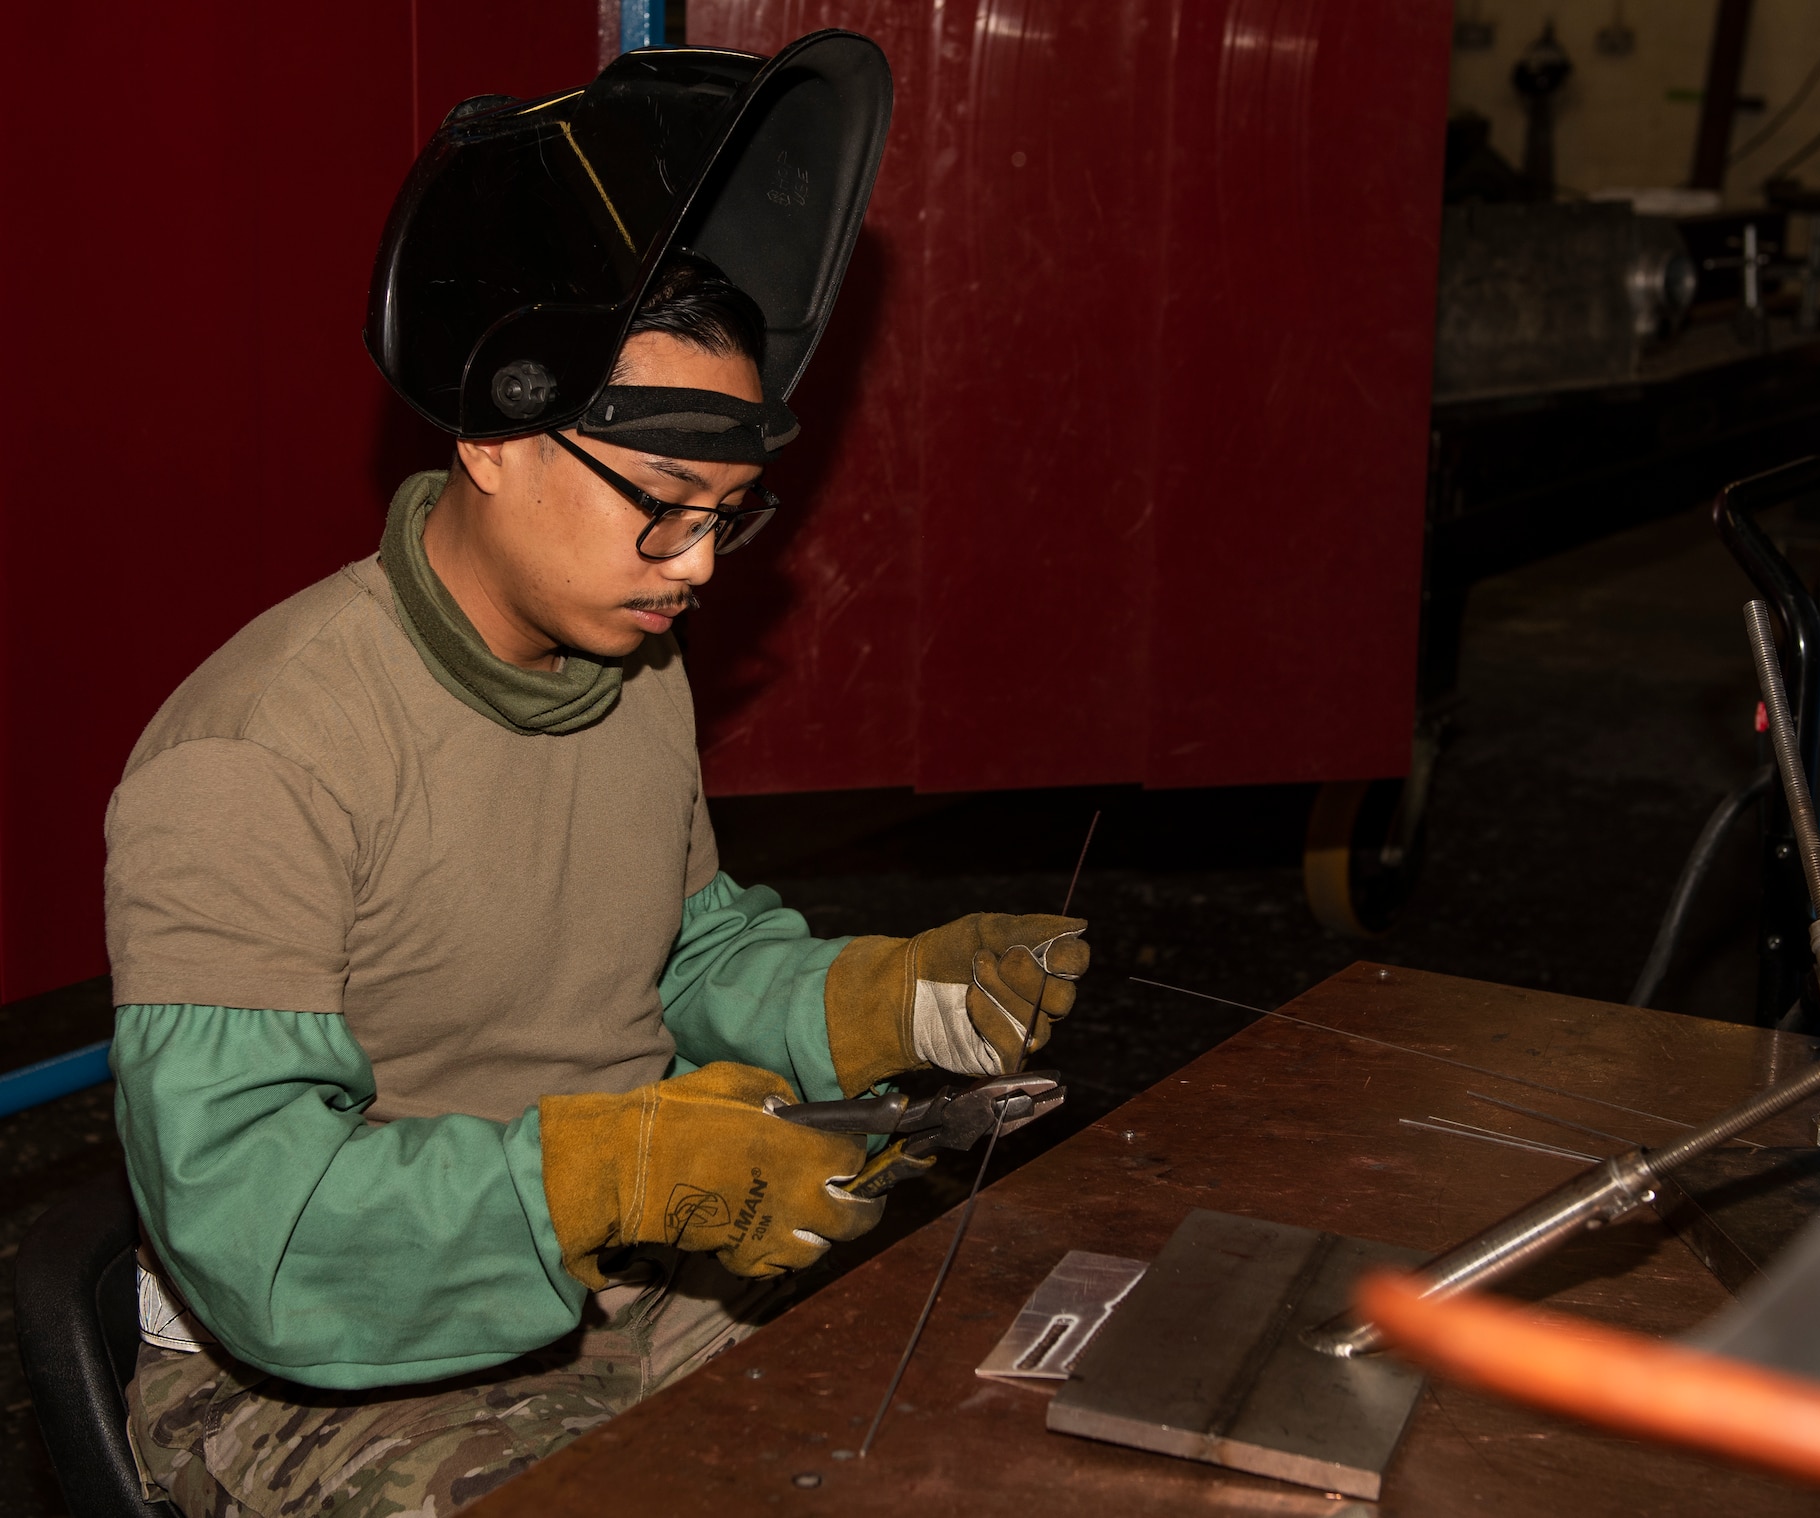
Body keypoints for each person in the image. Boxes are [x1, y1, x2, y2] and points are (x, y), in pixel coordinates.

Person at [104, 34, 1088, 1518]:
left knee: (985, 1407)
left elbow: (674, 950)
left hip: (619, 1283)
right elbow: (259, 1231)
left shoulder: (627, 666)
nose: (695, 567)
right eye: (663, 508)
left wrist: (876, 1003)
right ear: (495, 435)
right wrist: (609, 1177)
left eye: (728, 516)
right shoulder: (255, 757)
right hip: (320, 1361)